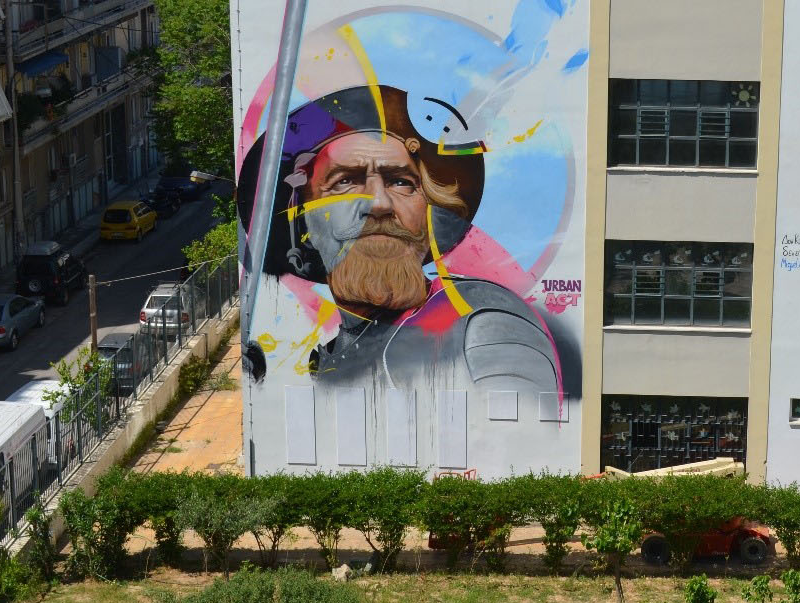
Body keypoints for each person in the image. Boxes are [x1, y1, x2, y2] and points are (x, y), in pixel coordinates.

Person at [237, 83, 562, 398]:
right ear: (303, 224)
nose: (379, 203)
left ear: (428, 214)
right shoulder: (327, 358)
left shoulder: (476, 322)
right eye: (346, 181)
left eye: (401, 182)